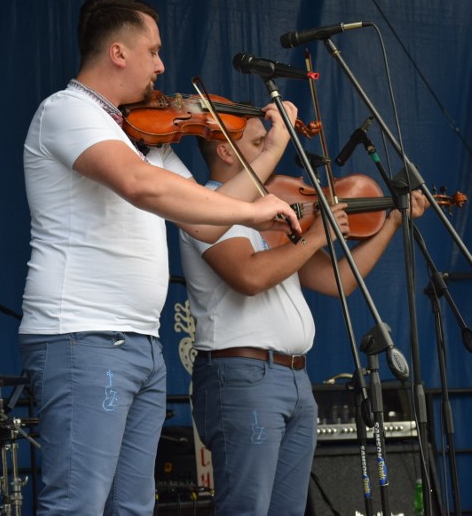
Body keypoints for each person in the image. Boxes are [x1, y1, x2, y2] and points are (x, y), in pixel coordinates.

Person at [18, 0, 301, 516]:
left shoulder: (146, 140)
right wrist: (256, 212)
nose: (162, 65)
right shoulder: (66, 111)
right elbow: (139, 186)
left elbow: (203, 216)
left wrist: (270, 151)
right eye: (154, 51)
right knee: (76, 505)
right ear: (119, 52)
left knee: (133, 508)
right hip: (83, 332)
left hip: (142, 343)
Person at [179, 116, 429, 515]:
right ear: (226, 150)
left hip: (293, 377)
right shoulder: (210, 207)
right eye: (262, 142)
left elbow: (338, 279)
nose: (272, 151)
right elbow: (249, 275)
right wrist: (316, 236)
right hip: (245, 377)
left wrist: (392, 221)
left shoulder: (270, 212)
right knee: (246, 508)